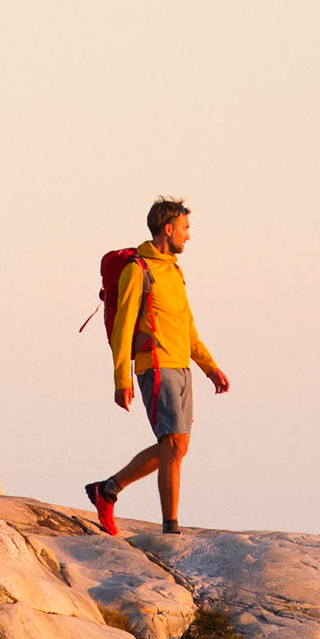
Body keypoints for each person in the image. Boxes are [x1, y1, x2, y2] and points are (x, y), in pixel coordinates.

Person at [85, 197, 231, 534]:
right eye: (185, 228)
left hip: (182, 367)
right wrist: (121, 379)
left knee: (177, 447)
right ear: (168, 229)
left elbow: (187, 326)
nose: (188, 235)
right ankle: (171, 527)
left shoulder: (175, 272)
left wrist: (210, 367)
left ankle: (107, 489)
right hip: (155, 365)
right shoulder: (138, 269)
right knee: (173, 445)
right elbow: (123, 328)